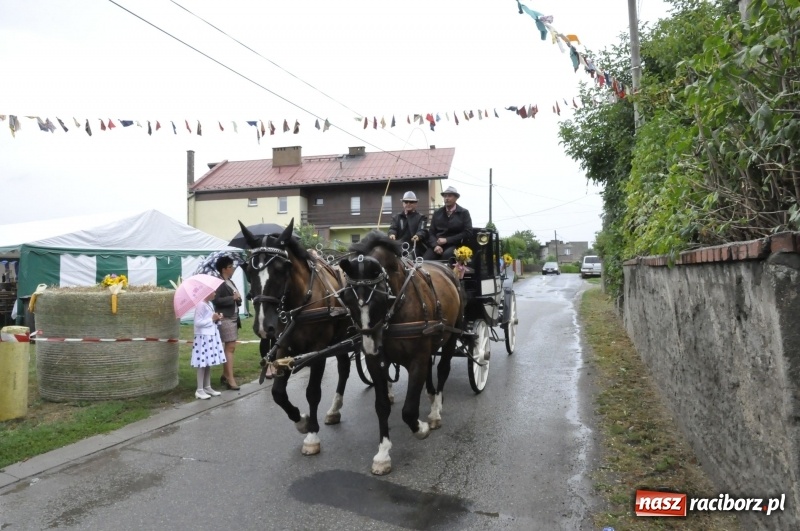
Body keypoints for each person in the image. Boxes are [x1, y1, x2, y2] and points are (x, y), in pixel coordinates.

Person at [214, 256, 243, 390]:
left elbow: (236, 298)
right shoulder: (218, 282)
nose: (233, 269)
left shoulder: (230, 281)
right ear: (224, 269)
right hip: (225, 318)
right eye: (230, 267)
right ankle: (230, 379)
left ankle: (225, 375)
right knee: (230, 348)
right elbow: (216, 300)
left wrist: (238, 298)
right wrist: (232, 298)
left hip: (234, 317)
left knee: (230, 347)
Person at [423, 186, 473, 261]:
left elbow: (468, 232)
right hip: (437, 245)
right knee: (425, 261)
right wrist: (435, 245)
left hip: (454, 245)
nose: (446, 198)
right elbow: (431, 232)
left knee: (446, 257)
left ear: (456, 198)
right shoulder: (437, 212)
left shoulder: (464, 213)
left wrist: (447, 240)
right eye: (445, 196)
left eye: (449, 196)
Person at [191, 292, 226, 399]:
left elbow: (211, 319)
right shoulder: (201, 305)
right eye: (213, 292)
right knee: (202, 363)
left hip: (211, 335)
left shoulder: (209, 304)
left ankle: (207, 386)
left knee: (207, 362)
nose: (215, 293)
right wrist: (212, 319)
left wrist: (217, 319)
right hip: (203, 337)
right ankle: (199, 389)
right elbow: (198, 322)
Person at [388, 191, 428, 256]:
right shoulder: (396, 217)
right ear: (403, 204)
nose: (408, 204)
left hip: (415, 246)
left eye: (411, 202)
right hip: (399, 246)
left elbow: (422, 230)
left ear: (416, 204)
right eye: (406, 202)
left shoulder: (421, 217)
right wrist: (392, 234)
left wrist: (418, 236)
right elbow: (393, 228)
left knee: (409, 257)